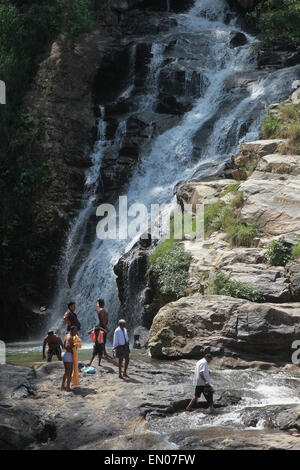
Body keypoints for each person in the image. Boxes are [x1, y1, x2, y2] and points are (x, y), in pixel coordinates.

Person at [61, 326, 77, 392]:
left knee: (66, 371)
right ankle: (67, 387)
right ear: (71, 330)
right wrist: (72, 352)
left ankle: (62, 386)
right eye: (75, 331)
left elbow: (64, 345)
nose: (76, 332)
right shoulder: (70, 337)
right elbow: (67, 346)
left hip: (63, 353)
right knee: (69, 372)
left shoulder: (67, 335)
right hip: (68, 354)